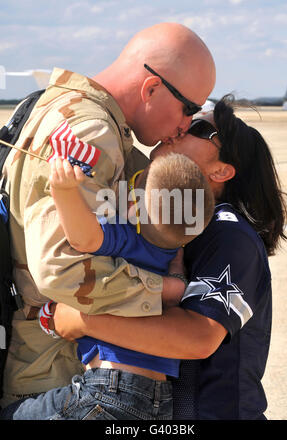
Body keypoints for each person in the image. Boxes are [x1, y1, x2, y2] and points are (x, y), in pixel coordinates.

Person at [0, 22, 216, 409]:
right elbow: (62, 269)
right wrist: (165, 292)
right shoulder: (92, 132)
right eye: (189, 109)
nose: (185, 124)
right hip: (56, 374)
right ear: (151, 88)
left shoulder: (53, 106)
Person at [37, 95, 287, 420]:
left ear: (222, 170)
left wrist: (83, 318)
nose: (177, 129)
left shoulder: (228, 234)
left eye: (197, 127)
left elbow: (198, 336)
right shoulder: (173, 222)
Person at [0, 153, 215, 419]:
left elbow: (84, 238)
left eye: (132, 183)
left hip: (109, 389)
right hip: (159, 398)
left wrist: (62, 189)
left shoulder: (128, 238)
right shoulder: (174, 256)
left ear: (137, 207)